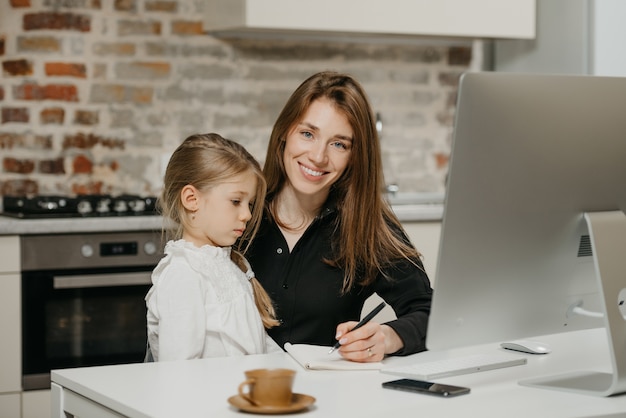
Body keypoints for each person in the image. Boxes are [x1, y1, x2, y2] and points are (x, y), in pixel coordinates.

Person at [247, 71, 433, 363]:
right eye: (307, 134)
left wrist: (386, 337)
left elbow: (429, 312)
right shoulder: (240, 212)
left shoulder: (368, 226)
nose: (318, 157)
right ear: (285, 132)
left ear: (355, 156)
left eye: (339, 144)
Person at [145, 133, 281, 362]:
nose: (247, 214)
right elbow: (178, 371)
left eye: (249, 204)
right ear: (191, 199)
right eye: (236, 201)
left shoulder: (232, 266)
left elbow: (260, 346)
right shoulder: (183, 275)